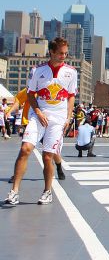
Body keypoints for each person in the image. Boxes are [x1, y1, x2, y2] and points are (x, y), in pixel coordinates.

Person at [5, 37, 77, 206]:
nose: (63, 56)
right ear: (51, 52)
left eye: (66, 53)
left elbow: (72, 95)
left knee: (47, 157)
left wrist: (68, 117)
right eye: (60, 53)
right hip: (38, 116)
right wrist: (37, 111)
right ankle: (14, 191)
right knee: (25, 149)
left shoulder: (71, 72)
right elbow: (30, 94)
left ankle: (47, 191)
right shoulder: (37, 70)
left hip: (58, 119)